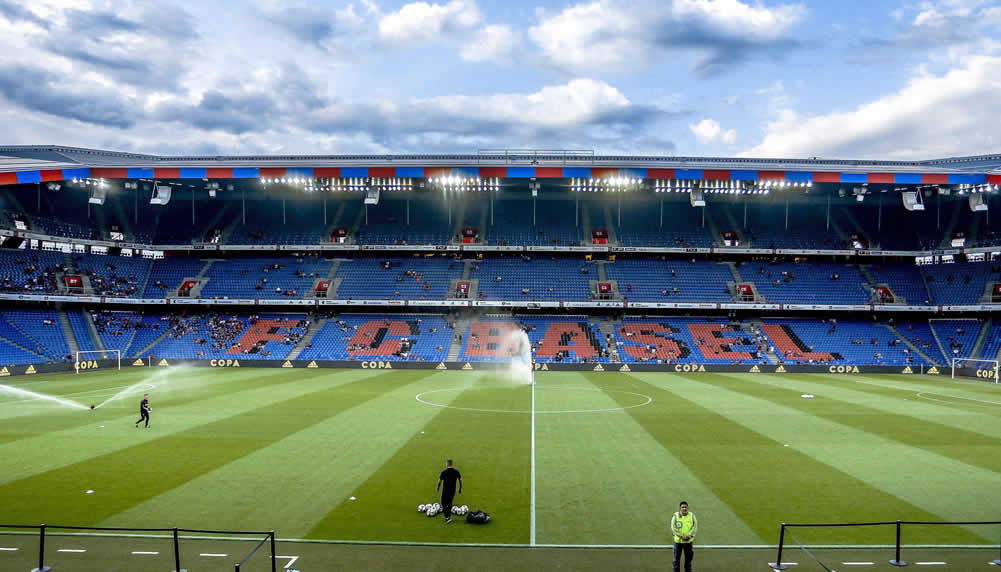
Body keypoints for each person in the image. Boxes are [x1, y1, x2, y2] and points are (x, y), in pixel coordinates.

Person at [671, 500, 697, 572]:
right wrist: (682, 536)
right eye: (683, 507)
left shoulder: (692, 515)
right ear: (680, 508)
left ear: (687, 508)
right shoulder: (675, 516)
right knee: (676, 561)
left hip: (688, 542)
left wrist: (689, 535)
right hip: (678, 542)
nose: (684, 509)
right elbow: (673, 528)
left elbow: (695, 527)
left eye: (685, 507)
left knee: (688, 561)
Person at [436, 459, 463, 524]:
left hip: (445, 490)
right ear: (452, 464)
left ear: (447, 464)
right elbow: (460, 479)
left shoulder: (444, 472)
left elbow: (439, 480)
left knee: (443, 502)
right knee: (449, 502)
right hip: (452, 490)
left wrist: (438, 487)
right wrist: (460, 488)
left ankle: (447, 517)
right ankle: (448, 515)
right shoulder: (456, 471)